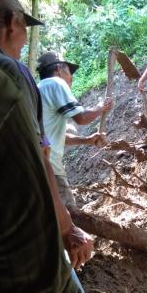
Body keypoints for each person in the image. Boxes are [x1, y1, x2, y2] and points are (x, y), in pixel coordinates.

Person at [0, 0, 94, 293]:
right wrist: (67, 228)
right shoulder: (6, 72)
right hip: (12, 262)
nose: (24, 42)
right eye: (24, 28)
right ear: (11, 23)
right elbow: (38, 158)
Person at [37, 51, 112, 211]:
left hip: (36, 163)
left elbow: (54, 137)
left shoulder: (39, 89)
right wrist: (101, 107)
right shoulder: (55, 83)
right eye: (69, 72)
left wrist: (87, 140)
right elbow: (82, 118)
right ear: (59, 69)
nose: (71, 78)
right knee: (69, 214)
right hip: (49, 166)